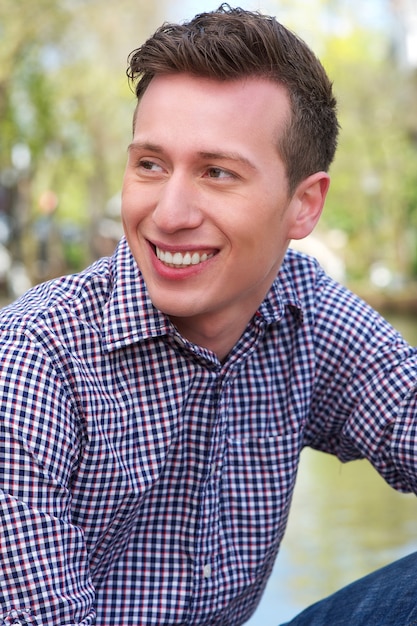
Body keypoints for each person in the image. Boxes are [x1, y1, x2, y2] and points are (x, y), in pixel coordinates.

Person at [0, 4, 416, 625]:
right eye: (150, 165)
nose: (168, 214)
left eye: (216, 173)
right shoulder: (34, 358)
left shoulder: (304, 311)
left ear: (304, 206)